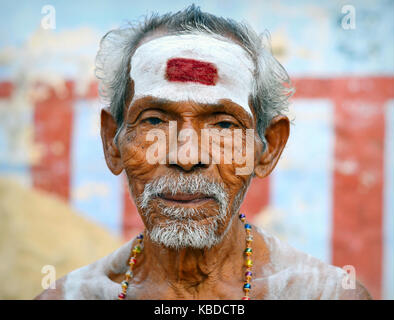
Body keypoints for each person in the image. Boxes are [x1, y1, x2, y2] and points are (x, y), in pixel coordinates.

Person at [35, 5, 371, 300]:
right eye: (154, 119)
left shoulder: (326, 295)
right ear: (112, 141)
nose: (186, 157)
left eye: (223, 125)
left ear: (268, 147)